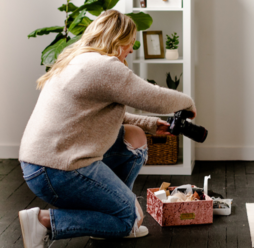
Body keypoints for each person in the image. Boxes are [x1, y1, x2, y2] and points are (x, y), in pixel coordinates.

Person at [18, 10, 196, 248]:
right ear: (117, 39)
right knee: (128, 221)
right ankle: (44, 221)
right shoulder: (104, 65)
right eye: (130, 43)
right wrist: (188, 103)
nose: (131, 50)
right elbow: (154, 98)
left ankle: (112, 207)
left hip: (43, 164)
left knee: (135, 136)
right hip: (58, 169)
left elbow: (101, 114)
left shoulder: (79, 59)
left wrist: (152, 125)